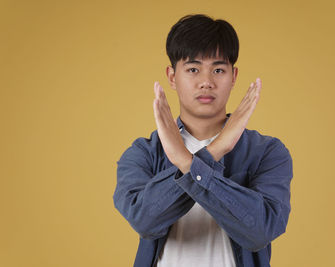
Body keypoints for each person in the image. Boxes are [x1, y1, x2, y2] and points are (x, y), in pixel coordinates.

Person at [113, 14, 293, 267]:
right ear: (172, 76)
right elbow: (144, 222)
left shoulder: (267, 152)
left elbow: (261, 232)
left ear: (233, 76)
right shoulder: (144, 152)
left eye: (218, 70)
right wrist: (215, 151)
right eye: (193, 69)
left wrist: (187, 163)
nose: (206, 82)